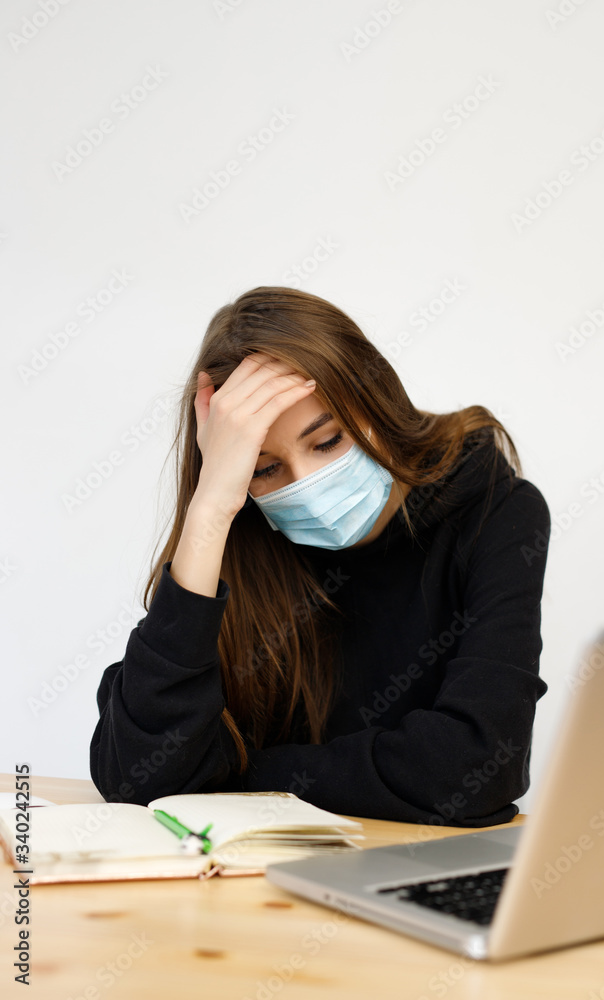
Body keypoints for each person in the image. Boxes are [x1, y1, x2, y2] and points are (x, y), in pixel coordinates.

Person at [89, 285, 551, 827]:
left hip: (410, 874)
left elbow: (475, 766)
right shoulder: (240, 536)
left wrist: (225, 778)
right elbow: (136, 777)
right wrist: (210, 509)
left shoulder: (496, 510)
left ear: (374, 401)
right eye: (263, 468)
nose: (305, 484)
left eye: (327, 441)